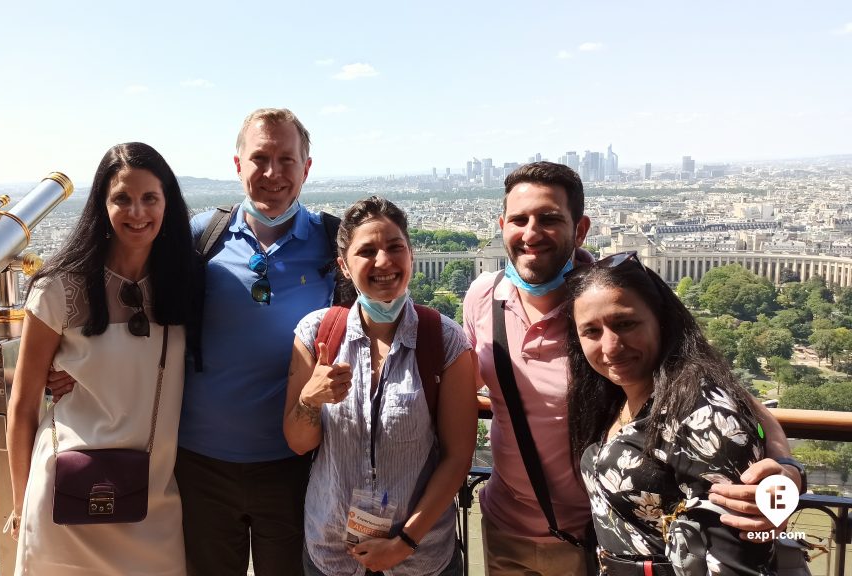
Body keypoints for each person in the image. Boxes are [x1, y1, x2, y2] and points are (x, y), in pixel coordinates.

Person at [461, 161, 802, 576]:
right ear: (503, 226)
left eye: (549, 219)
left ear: (580, 228)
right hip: (505, 525)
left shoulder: (610, 301)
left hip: (600, 531)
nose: (531, 234)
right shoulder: (482, 297)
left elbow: (722, 392)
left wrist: (785, 472)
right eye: (519, 220)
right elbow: (469, 383)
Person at [6, 142, 194, 575]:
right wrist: (21, 503)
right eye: (122, 199)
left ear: (168, 203)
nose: (137, 212)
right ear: (101, 205)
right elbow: (22, 403)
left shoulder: (185, 283)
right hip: (65, 498)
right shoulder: (59, 289)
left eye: (150, 198)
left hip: (154, 502)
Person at [175, 108, 339, 575]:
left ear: (307, 168)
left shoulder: (333, 242)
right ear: (237, 164)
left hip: (296, 464)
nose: (272, 173)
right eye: (260, 158)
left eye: (286, 160)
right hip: (200, 463)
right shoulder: (200, 238)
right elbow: (137, 308)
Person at [284, 196, 477, 576]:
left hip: (419, 557)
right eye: (367, 251)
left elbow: (457, 458)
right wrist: (310, 399)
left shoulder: (445, 340)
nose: (384, 262)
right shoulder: (316, 334)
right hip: (332, 551)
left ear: (411, 252)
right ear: (343, 265)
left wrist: (403, 543)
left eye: (394, 247)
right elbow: (298, 441)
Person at [565, 251, 774, 573]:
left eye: (625, 323)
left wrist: (787, 473)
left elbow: (735, 561)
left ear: (661, 320)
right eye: (591, 331)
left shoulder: (704, 417)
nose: (609, 346)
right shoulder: (615, 396)